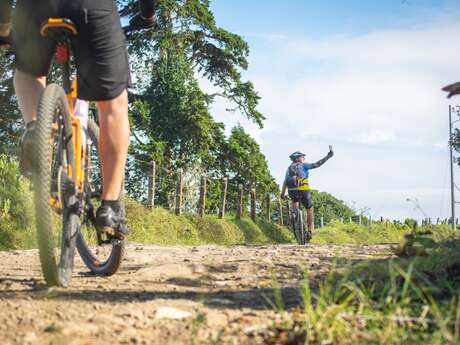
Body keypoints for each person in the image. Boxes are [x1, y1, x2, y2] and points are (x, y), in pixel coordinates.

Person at [0, 0, 156, 238]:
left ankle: (36, 128)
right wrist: (147, 15)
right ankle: (110, 208)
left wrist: (3, 27)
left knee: (28, 72)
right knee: (114, 103)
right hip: (93, 8)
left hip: (37, 7)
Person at [280, 148, 334, 236]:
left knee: (294, 202)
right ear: (297, 158)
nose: (304, 158)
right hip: (304, 190)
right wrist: (328, 156)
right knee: (310, 208)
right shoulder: (304, 165)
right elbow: (317, 164)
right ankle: (309, 231)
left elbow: (285, 182)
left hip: (292, 191)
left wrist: (282, 194)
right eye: (302, 157)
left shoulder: (288, 169)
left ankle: (294, 215)